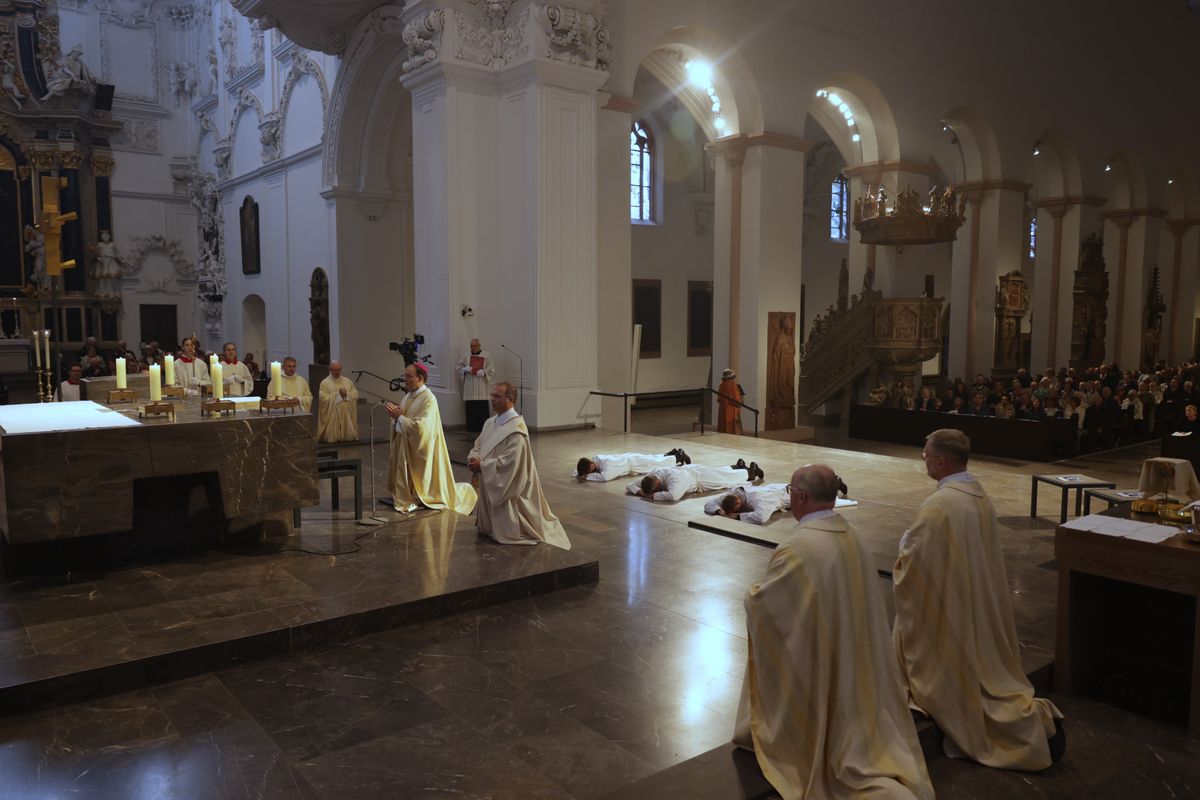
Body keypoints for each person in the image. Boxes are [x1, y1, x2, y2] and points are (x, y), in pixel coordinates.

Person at [734, 464, 934, 799]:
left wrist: (751, 595)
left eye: (789, 492)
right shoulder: (851, 536)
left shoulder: (798, 547)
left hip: (820, 658)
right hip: (853, 654)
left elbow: (769, 607)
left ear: (799, 496)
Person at [893, 429, 1064, 770]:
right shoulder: (977, 494)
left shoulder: (940, 504)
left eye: (926, 455)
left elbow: (913, 562)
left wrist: (904, 548)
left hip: (952, 603)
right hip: (973, 592)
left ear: (941, 462)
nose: (923, 460)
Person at [467, 382, 569, 548]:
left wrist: (483, 466)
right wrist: (473, 458)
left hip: (510, 490)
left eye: (497, 396)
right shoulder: (490, 422)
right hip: (489, 482)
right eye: (492, 395)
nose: (492, 399)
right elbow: (478, 445)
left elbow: (509, 465)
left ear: (510, 400)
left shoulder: (516, 430)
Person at [387, 363, 477, 515]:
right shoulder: (408, 396)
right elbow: (402, 420)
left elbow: (423, 428)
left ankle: (423, 494)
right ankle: (410, 493)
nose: (404, 379)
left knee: (424, 482)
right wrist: (396, 419)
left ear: (420, 378)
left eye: (408, 376)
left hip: (422, 448)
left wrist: (400, 418)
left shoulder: (429, 398)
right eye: (404, 375)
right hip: (406, 447)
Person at [627, 460, 764, 502]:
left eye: (656, 489)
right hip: (692, 470)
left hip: (699, 478)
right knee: (719, 472)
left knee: (726, 479)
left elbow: (673, 496)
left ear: (657, 484)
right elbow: (630, 485)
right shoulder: (652, 475)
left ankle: (751, 472)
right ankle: (736, 466)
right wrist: (639, 491)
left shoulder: (675, 479)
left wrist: (652, 496)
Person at [704, 482, 790, 525]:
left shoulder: (758, 499)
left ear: (739, 503)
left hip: (786, 495)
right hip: (773, 487)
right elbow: (709, 504)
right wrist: (719, 511)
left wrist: (738, 516)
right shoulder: (733, 494)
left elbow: (761, 517)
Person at [575, 449, 686, 482]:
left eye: (589, 472)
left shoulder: (607, 464)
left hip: (634, 463)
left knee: (656, 464)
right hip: (630, 458)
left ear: (591, 467)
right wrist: (578, 473)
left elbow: (605, 477)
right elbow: (579, 469)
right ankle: (673, 453)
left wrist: (587, 477)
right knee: (653, 459)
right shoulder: (596, 458)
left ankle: (679, 457)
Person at [456, 338, 494, 432]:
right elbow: (458, 367)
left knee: (482, 407)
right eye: (471, 346)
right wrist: (465, 369)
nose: (473, 347)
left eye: (475, 346)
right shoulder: (465, 356)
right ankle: (472, 427)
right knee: (471, 407)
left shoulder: (486, 355)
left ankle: (484, 428)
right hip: (470, 384)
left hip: (481, 385)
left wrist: (484, 372)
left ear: (479, 346)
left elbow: (492, 369)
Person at [317, 360, 360, 443]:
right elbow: (323, 399)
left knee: (348, 437)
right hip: (333, 413)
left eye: (339, 369)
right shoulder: (325, 383)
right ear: (330, 369)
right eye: (334, 370)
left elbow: (355, 394)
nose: (337, 372)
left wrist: (347, 394)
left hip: (346, 412)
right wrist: (337, 395)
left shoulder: (347, 381)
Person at [718, 368, 744, 434]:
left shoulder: (721, 386)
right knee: (732, 430)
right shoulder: (733, 385)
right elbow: (736, 401)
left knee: (724, 429)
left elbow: (719, 399)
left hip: (723, 410)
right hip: (732, 410)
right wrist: (741, 398)